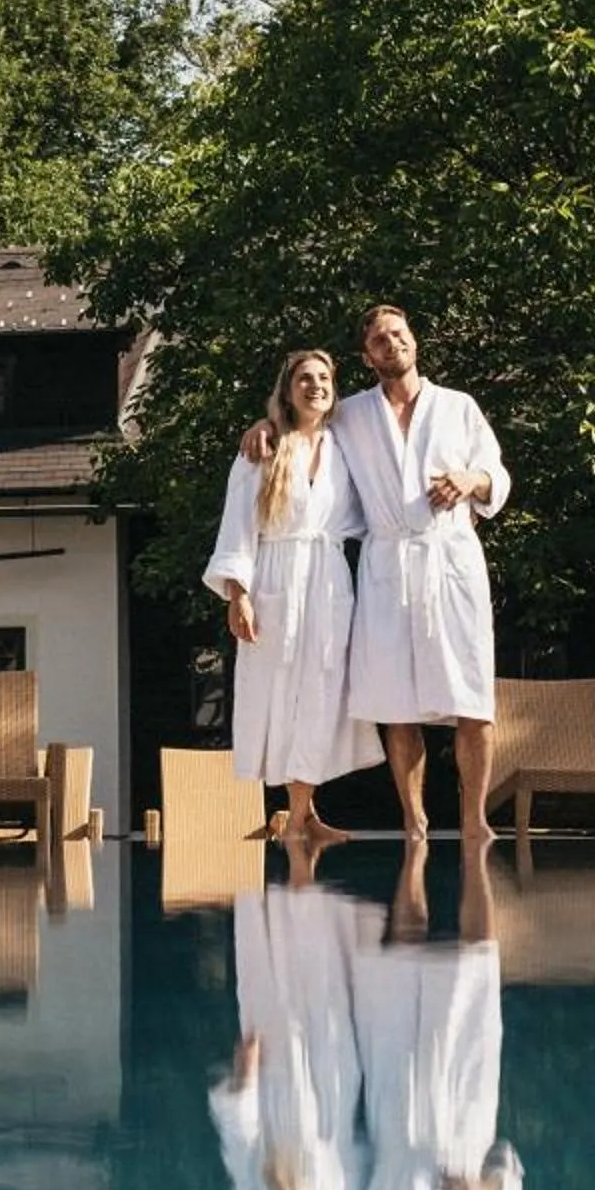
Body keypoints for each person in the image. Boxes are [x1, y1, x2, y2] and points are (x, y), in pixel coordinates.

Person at [248, 306, 511, 848]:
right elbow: (305, 419)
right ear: (367, 357)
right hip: (387, 567)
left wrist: (469, 478)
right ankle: (414, 821)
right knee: (397, 704)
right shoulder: (353, 414)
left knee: (472, 697)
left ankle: (473, 819)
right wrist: (264, 426)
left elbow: (496, 473)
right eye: (379, 340)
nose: (392, 344)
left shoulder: (458, 407)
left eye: (399, 334)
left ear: (413, 341)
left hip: (451, 560)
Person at [346, 832, 520, 1190]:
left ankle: (413, 848)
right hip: (464, 1117)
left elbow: (350, 1173)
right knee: (475, 969)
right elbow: (509, 1182)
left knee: (401, 965)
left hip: (393, 1109)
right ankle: (475, 854)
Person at [203, 349, 381, 842]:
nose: (316, 386)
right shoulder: (264, 447)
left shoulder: (346, 445)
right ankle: (285, 810)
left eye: (324, 378)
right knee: (275, 689)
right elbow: (237, 523)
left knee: (322, 691)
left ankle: (303, 812)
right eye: (305, 378)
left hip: (327, 578)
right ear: (288, 388)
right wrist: (237, 594)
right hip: (274, 576)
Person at [204, 834, 362, 1190]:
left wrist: (245, 1081)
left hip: (276, 1074)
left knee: (265, 947)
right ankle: (299, 841)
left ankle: (248, 821)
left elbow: (241, 1149)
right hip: (327, 1066)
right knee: (314, 951)